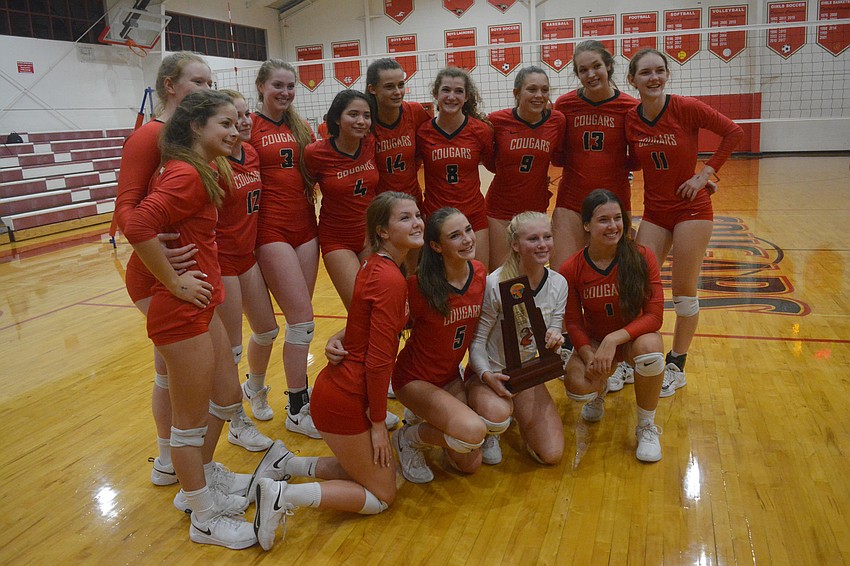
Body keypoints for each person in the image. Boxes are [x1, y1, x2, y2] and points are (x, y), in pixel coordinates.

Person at [250, 192, 424, 551]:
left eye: (418, 215)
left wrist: (339, 337)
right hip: (346, 397)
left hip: (343, 388)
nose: (417, 222)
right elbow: (379, 362)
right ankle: (282, 496)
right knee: (383, 495)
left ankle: (287, 464)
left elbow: (363, 322)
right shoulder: (389, 278)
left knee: (375, 473)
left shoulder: (378, 266)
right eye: (405, 218)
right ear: (383, 231)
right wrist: (379, 423)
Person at [124, 90, 256, 549]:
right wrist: (173, 281)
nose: (235, 130)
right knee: (189, 423)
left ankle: (201, 477)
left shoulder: (200, 168)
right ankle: (202, 514)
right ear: (197, 127)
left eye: (237, 122)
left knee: (226, 395)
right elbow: (136, 225)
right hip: (181, 309)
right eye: (225, 123)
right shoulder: (187, 174)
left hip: (200, 302)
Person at [113, 52, 213, 485]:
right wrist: (164, 268)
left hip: (186, 268)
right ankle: (175, 462)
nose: (206, 90)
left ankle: (171, 461)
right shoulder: (149, 137)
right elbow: (126, 211)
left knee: (170, 370)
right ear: (169, 85)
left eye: (210, 83)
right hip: (159, 273)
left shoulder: (196, 138)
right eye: (197, 82)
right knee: (176, 373)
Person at [625, 48, 743, 396]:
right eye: (645, 72)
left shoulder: (685, 107)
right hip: (655, 211)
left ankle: (676, 364)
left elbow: (733, 132)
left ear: (667, 75)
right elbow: (633, 160)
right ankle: (634, 357)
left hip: (691, 209)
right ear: (632, 80)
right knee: (636, 286)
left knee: (683, 293)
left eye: (660, 71)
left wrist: (704, 175)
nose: (654, 78)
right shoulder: (631, 119)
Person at [551, 40, 641, 392]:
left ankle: (621, 358)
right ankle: (570, 347)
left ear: (609, 66)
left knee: (618, 284)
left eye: (596, 67)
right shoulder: (565, 104)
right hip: (572, 203)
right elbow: (557, 154)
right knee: (564, 280)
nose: (590, 74)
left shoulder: (629, 107)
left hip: (614, 208)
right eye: (582, 69)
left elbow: (639, 156)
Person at [560, 189, 666, 461]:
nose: (613, 226)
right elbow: (573, 322)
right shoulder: (571, 267)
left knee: (651, 351)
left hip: (630, 341)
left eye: (617, 218)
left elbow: (655, 316)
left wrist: (614, 339)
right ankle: (599, 390)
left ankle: (646, 426)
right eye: (603, 220)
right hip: (595, 341)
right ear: (586, 225)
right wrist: (589, 355)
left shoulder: (642, 256)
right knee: (577, 386)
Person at [390, 208, 487, 483]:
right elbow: (383, 322)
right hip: (414, 379)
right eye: (455, 236)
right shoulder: (418, 286)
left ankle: (424, 416)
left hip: (449, 376)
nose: (467, 239)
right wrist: (341, 337)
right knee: (471, 432)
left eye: (468, 230)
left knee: (469, 463)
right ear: (436, 246)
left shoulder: (479, 273)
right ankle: (408, 439)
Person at [249, 60, 319, 438]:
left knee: (297, 324)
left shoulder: (301, 126)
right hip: (270, 229)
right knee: (302, 321)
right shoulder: (248, 126)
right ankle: (297, 407)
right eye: (278, 85)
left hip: (306, 227)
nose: (286, 92)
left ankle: (253, 386)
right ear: (261, 86)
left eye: (291, 86)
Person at [466, 212, 567, 466]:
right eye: (533, 239)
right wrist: (486, 375)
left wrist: (555, 339)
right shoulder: (495, 283)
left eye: (547, 237)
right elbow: (476, 342)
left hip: (524, 374)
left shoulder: (558, 283)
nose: (542, 244)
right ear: (515, 245)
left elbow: (554, 330)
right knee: (497, 414)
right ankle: (490, 421)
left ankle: (516, 415)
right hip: (492, 373)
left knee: (552, 454)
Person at [212, 89, 277, 451]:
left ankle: (255, 388)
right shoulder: (212, 163)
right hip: (221, 260)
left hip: (247, 255)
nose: (243, 121)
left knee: (267, 330)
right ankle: (236, 421)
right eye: (234, 117)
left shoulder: (251, 153)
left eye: (246, 114)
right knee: (231, 349)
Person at [304, 89, 379, 310]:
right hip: (337, 239)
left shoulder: (371, 143)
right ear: (337, 118)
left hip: (370, 235)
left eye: (366, 116)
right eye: (353, 114)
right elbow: (303, 190)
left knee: (377, 304)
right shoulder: (315, 153)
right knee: (359, 307)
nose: (361, 121)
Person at [485, 66, 565, 267]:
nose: (539, 95)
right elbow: (490, 162)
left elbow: (558, 157)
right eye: (532, 89)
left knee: (533, 270)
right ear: (517, 93)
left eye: (544, 90)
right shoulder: (496, 121)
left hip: (535, 210)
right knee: (503, 273)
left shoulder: (557, 120)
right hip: (500, 210)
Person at [416, 67, 494, 268]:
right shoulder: (423, 132)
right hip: (436, 217)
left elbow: (494, 164)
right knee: (438, 279)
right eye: (446, 90)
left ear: (467, 97)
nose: (452, 96)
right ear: (435, 94)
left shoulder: (480, 131)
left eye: (458, 91)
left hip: (473, 215)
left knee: (478, 275)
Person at [366, 58, 431, 274]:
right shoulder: (366, 120)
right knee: (387, 273)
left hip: (412, 204)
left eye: (400, 85)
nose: (397, 92)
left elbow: (424, 149)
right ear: (372, 89)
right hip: (382, 210)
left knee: (413, 272)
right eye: (389, 87)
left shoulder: (415, 112)